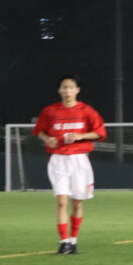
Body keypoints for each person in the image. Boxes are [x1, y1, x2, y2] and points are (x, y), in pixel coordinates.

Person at [33, 75, 106, 255]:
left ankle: (73, 241)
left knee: (77, 203)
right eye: (64, 87)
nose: (67, 91)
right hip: (58, 159)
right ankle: (64, 242)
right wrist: (47, 139)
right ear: (59, 90)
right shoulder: (50, 111)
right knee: (61, 201)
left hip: (79, 160)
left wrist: (81, 136)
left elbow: (99, 132)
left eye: (70, 87)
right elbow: (39, 131)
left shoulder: (86, 111)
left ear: (77, 90)